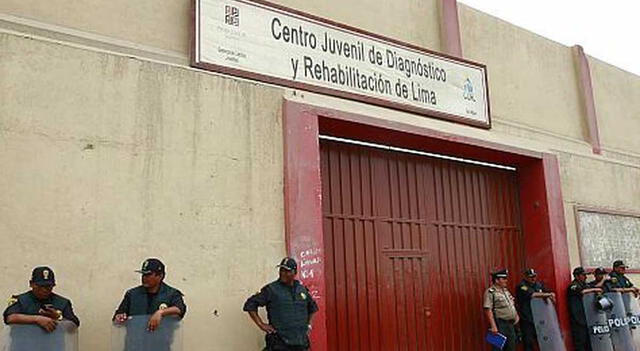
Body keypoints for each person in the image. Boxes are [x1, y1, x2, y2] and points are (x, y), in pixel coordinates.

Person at [243, 257, 318, 351]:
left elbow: (313, 308)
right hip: (279, 343)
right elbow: (250, 304)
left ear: (295, 272)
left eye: (287, 271)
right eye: (281, 270)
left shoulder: (302, 290)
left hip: (301, 343)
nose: (283, 273)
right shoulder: (271, 289)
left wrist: (309, 325)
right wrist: (261, 324)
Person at [113, 258, 186, 331]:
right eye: (143, 274)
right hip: (135, 340)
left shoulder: (171, 294)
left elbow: (179, 309)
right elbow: (118, 316)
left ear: (160, 276)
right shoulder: (132, 294)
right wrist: (120, 318)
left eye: (148, 275)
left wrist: (161, 312)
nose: (144, 278)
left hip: (159, 340)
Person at [3, 266, 80, 332]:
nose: (44, 290)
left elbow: (73, 325)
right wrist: (37, 319)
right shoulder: (21, 300)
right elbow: (10, 318)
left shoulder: (62, 303)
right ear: (31, 284)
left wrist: (58, 317)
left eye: (48, 286)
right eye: (40, 286)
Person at [516, 268, 556, 351]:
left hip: (539, 318)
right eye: (531, 277)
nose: (533, 279)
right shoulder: (522, 286)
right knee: (529, 342)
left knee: (543, 340)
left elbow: (546, 291)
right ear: (526, 277)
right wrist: (548, 294)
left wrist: (551, 295)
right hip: (527, 319)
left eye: (534, 276)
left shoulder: (538, 284)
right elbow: (532, 294)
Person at [483, 268, 519, 351]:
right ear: (497, 280)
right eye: (503, 279)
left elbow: (511, 304)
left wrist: (516, 315)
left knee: (511, 348)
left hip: (510, 324)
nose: (506, 281)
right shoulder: (491, 292)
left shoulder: (506, 291)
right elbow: (488, 310)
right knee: (498, 348)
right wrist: (493, 326)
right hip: (500, 324)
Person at [567, 266, 601, 351]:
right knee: (580, 343)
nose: (585, 277)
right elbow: (582, 291)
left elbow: (592, 287)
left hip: (587, 318)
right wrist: (594, 290)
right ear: (577, 276)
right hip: (578, 319)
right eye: (583, 275)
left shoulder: (585, 284)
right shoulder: (573, 286)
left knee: (589, 343)